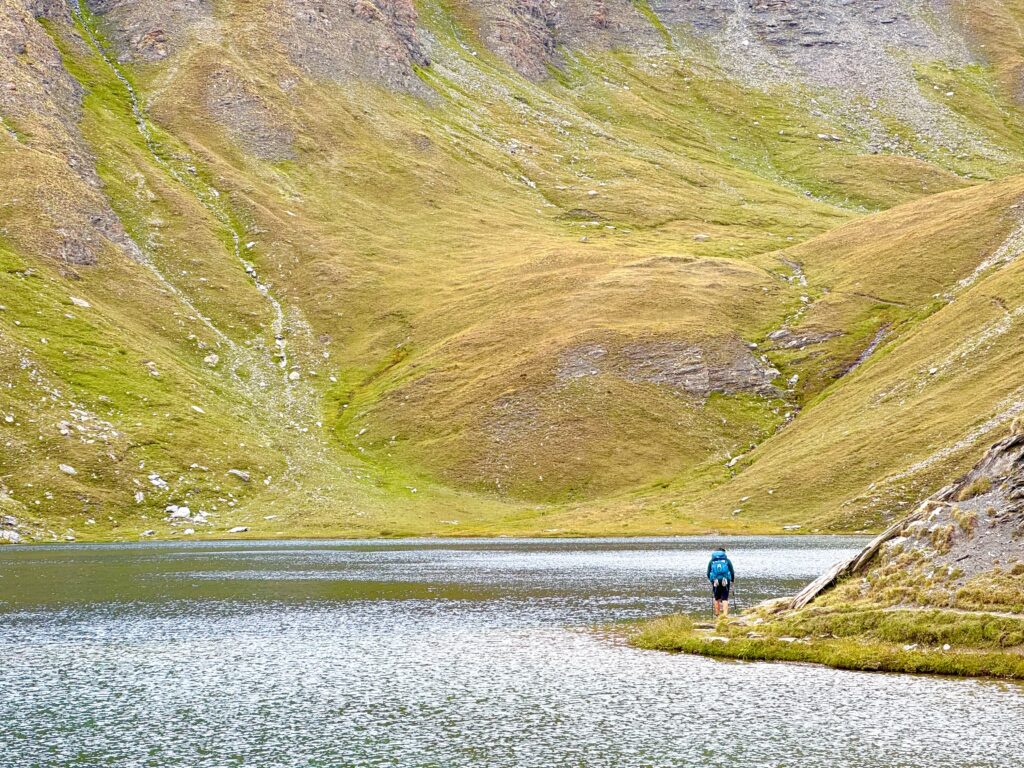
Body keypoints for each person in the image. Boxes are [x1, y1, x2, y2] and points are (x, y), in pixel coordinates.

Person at [707, 547, 735, 618]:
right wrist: (732, 580)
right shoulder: (727, 560)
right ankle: (725, 615)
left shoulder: (712, 561)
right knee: (725, 598)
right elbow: (732, 572)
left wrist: (712, 581)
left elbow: (708, 573)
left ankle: (717, 615)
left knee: (717, 598)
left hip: (715, 581)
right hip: (725, 581)